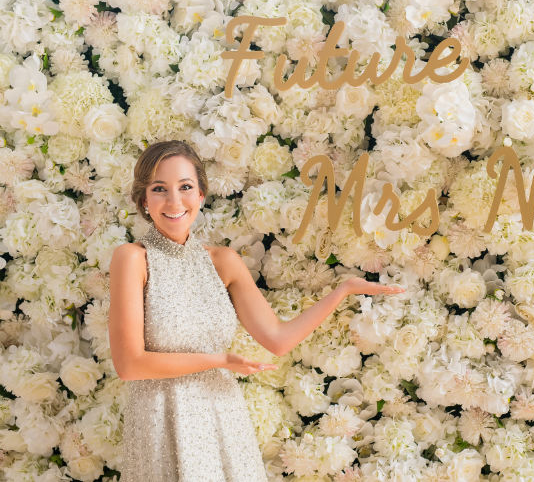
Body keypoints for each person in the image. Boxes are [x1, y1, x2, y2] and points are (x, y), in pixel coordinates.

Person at [107, 140, 404, 481]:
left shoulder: (224, 261)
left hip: (222, 421)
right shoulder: (132, 258)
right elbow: (130, 365)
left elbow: (278, 339)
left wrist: (343, 290)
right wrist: (219, 360)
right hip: (161, 425)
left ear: (201, 195)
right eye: (160, 189)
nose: (174, 201)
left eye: (185, 187)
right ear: (143, 198)